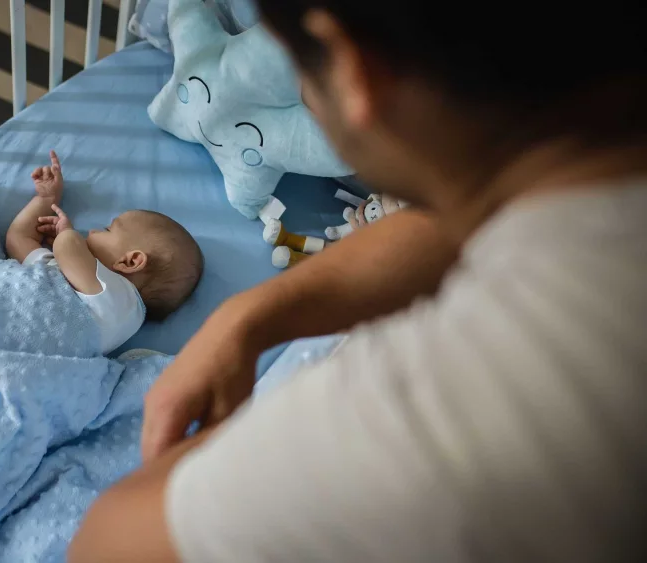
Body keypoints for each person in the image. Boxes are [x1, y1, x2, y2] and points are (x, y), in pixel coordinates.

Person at [69, 0, 647, 560]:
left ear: (353, 71)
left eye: (298, 74)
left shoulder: (449, 405)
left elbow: (106, 544)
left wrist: (223, 445)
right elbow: (456, 218)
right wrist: (245, 318)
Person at [6, 150, 204, 353]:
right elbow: (18, 239)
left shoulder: (124, 303)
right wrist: (46, 199)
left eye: (107, 230)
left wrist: (67, 234)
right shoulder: (68, 278)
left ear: (130, 262)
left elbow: (68, 248)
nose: (91, 231)